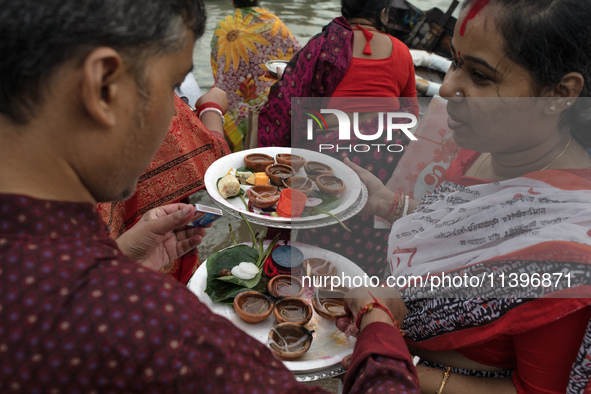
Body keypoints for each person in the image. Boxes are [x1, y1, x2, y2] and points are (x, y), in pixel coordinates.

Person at [0, 0, 421, 391]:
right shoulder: (149, 322)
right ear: (105, 87)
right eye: (171, 89)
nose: (175, 115)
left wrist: (121, 262)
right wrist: (376, 319)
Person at [345, 0, 591, 392]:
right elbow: (472, 230)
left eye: (479, 75)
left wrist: (389, 353)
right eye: (455, 63)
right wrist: (390, 204)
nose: (446, 87)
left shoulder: (571, 250)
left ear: (560, 93)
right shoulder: (488, 146)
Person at [257, 0, 419, 279]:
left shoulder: (322, 45)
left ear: (344, 11)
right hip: (385, 159)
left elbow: (285, 102)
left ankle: (316, 285)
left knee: (324, 228)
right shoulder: (401, 51)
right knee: (371, 234)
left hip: (332, 160)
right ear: (383, 14)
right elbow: (412, 113)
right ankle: (362, 290)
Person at [98, 90, 230, 285]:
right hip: (151, 262)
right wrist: (212, 108)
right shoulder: (139, 86)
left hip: (115, 265)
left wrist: (121, 259)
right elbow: (212, 162)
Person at [211, 0, 300, 151]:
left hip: (232, 102)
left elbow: (216, 63)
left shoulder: (223, 25)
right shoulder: (273, 23)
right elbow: (297, 57)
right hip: (265, 100)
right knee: (262, 149)